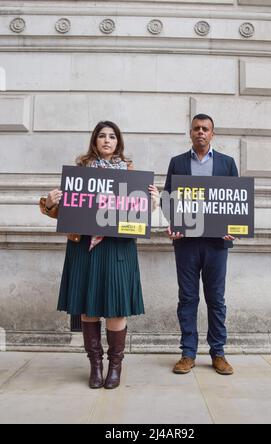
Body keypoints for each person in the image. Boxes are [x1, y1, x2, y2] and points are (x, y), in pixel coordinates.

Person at [40, 121, 158, 389]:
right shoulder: (80, 173)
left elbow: (139, 216)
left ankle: (115, 367)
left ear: (118, 142)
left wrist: (151, 202)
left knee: (116, 308)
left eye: (112, 136)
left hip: (117, 248)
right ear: (94, 141)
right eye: (102, 136)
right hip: (83, 247)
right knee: (88, 308)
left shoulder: (131, 175)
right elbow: (65, 212)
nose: (107, 140)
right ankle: (95, 366)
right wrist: (50, 203)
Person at [164, 114, 238, 376]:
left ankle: (218, 353)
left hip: (217, 244)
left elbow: (235, 202)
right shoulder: (178, 162)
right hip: (186, 243)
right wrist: (172, 223)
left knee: (216, 299)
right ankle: (188, 353)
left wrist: (233, 228)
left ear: (212, 134)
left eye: (205, 129)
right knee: (187, 298)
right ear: (190, 132)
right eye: (196, 128)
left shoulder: (227, 164)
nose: (200, 132)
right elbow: (167, 199)